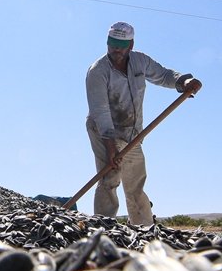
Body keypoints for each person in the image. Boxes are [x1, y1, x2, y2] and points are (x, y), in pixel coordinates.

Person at [85, 21, 201, 225]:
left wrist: (182, 82)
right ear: (107, 42)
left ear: (131, 44)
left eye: (121, 45)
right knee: (109, 178)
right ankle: (104, 228)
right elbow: (101, 111)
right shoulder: (98, 71)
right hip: (103, 130)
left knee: (135, 183)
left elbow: (164, 75)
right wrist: (110, 146)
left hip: (132, 133)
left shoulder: (140, 61)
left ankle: (144, 228)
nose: (116, 49)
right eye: (112, 44)